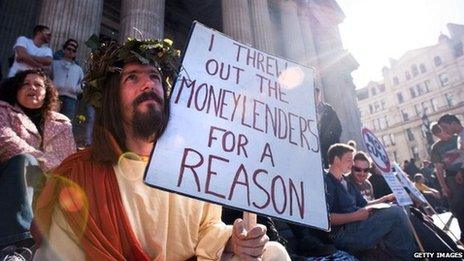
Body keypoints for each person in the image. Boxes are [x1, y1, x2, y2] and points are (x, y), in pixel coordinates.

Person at [33, 38, 289, 260]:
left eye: (154, 77)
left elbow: (206, 230)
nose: (148, 84)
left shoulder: (192, 165)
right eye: (132, 77)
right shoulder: (80, 176)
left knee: (272, 253)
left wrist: (234, 242)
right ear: (111, 99)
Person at [0, 69, 75, 259]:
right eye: (26, 84)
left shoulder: (62, 123)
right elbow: (6, 141)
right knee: (25, 161)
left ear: (47, 92)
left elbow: (70, 161)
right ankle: (18, 247)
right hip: (10, 181)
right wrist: (46, 162)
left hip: (47, 187)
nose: (32, 87)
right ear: (16, 90)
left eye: (38, 84)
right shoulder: (3, 110)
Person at [324, 143, 416, 259]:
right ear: (336, 159)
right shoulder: (326, 181)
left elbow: (364, 204)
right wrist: (355, 216)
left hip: (356, 225)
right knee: (396, 214)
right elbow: (326, 218)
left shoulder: (346, 182)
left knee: (398, 207)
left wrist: (386, 199)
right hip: (342, 234)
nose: (352, 164)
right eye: (349, 160)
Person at [430, 121, 464, 242]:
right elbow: (438, 169)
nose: (443, 136)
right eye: (439, 135)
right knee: (458, 206)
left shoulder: (459, 137)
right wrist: (444, 187)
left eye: (443, 133)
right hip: (452, 178)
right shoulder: (436, 147)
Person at [52, 39, 84, 121]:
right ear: (64, 49)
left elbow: (82, 83)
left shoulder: (78, 69)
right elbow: (48, 77)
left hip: (71, 99)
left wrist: (76, 89)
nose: (71, 51)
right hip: (55, 96)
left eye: (73, 50)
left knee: (67, 123)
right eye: (69, 49)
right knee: (51, 121)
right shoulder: (54, 64)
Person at [315, 87, 342, 169]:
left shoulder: (328, 109)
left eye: (315, 94)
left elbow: (338, 128)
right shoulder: (305, 110)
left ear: (319, 95)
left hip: (327, 149)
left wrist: (328, 140)